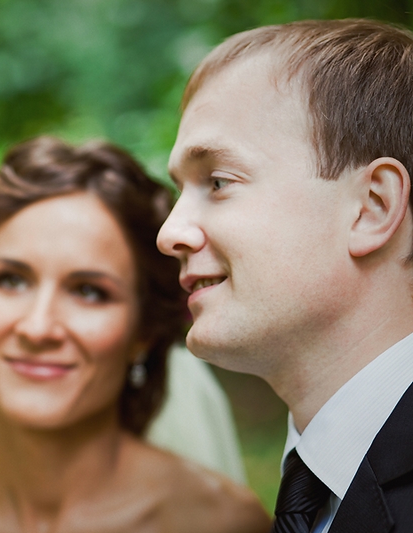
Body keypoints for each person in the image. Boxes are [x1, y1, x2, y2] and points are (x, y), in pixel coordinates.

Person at [0, 136, 270, 532]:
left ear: (143, 331)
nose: (38, 328)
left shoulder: (221, 524)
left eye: (89, 292)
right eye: (10, 280)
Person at [156, 19, 413, 532]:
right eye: (180, 190)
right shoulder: (317, 486)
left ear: (372, 207)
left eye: (219, 181)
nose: (170, 233)